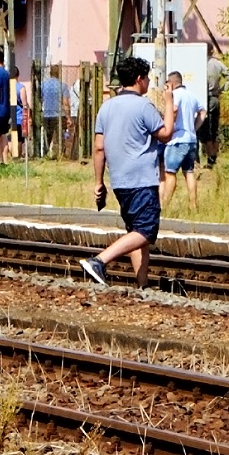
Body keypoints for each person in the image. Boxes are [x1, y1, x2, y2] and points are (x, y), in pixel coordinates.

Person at [81, 55, 176, 289]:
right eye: (146, 79)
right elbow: (166, 133)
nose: (147, 84)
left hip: (120, 181)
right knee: (146, 231)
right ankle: (99, 260)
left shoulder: (106, 107)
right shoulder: (143, 106)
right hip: (142, 179)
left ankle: (142, 285)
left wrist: (98, 181)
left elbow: (99, 147)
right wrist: (169, 102)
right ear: (138, 79)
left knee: (135, 232)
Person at [160, 70, 204, 212]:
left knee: (170, 173)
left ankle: (164, 206)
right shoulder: (192, 96)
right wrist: (194, 127)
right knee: (189, 172)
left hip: (177, 140)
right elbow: (203, 112)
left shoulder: (174, 95)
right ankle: (193, 205)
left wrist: (168, 126)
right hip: (191, 139)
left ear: (171, 83)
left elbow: (173, 110)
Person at [39, 64, 71, 159]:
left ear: (50, 73)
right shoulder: (63, 86)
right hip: (59, 114)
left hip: (46, 114)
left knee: (47, 136)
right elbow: (65, 103)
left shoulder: (43, 85)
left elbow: (39, 100)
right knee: (60, 136)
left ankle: (45, 154)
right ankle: (60, 154)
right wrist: (68, 117)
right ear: (59, 73)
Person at [206, 53, 227, 168]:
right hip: (215, 97)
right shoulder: (217, 63)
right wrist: (222, 89)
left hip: (205, 98)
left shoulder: (200, 63)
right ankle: (214, 158)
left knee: (206, 130)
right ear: (212, 51)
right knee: (215, 128)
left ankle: (210, 159)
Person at [8, 66, 30, 160]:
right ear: (18, 75)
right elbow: (24, 103)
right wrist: (28, 114)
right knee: (19, 139)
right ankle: (17, 157)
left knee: (9, 138)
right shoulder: (21, 88)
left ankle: (11, 154)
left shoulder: (6, 87)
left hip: (8, 116)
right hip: (19, 116)